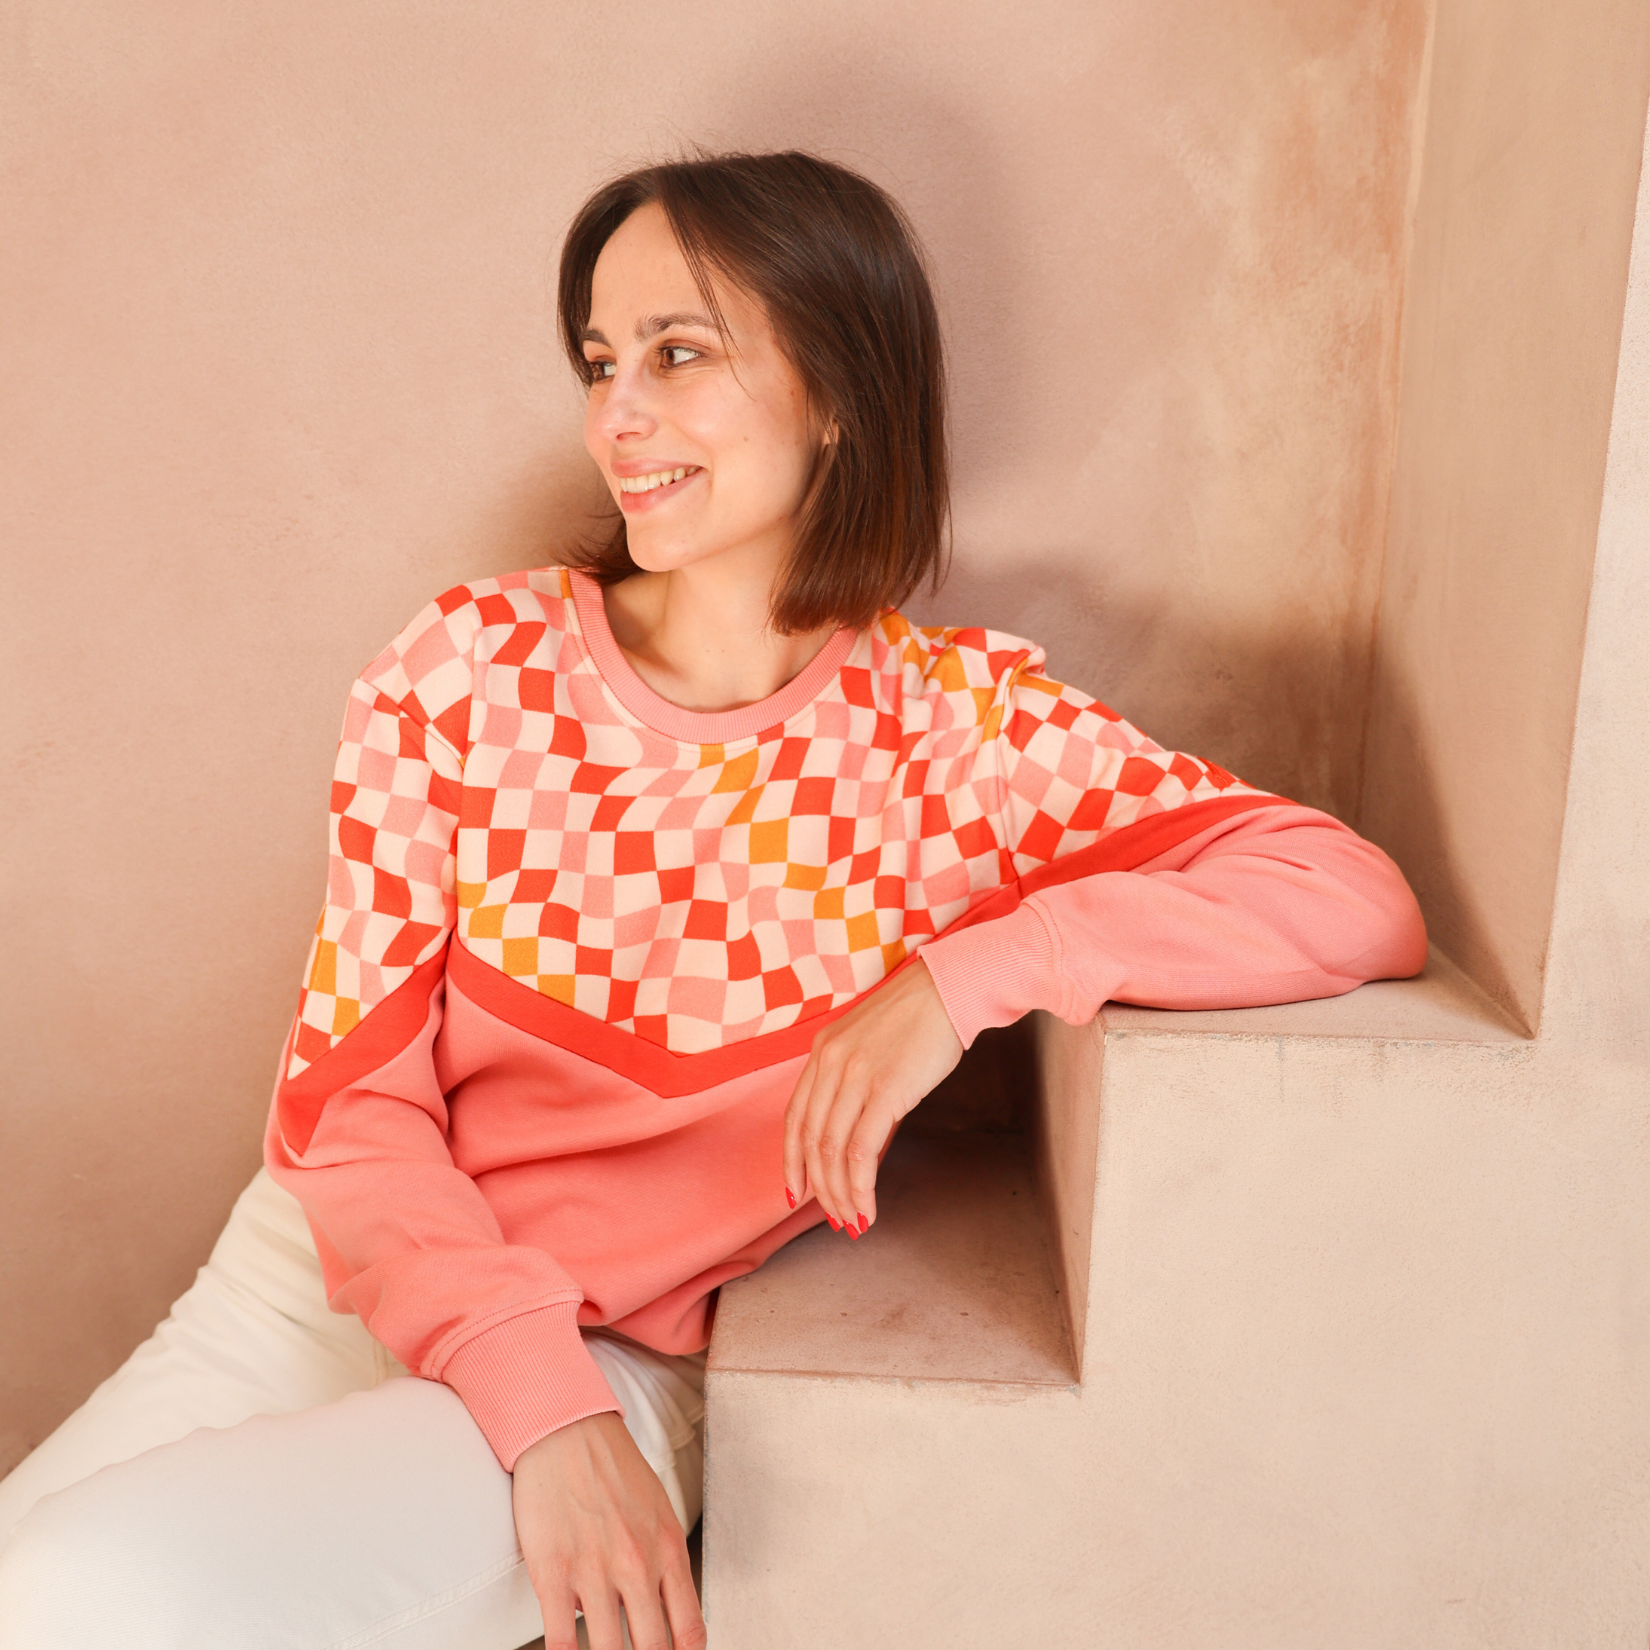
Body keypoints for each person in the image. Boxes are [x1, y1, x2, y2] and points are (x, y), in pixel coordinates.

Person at [0, 150, 1427, 1649]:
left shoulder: (962, 738)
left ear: (839, 390)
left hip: (617, 1343)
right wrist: (530, 1396)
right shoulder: (466, 669)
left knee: (85, 1594)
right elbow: (350, 1109)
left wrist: (973, 974)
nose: (615, 413)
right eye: (600, 361)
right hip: (319, 1280)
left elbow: (1348, 896)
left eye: (677, 353)